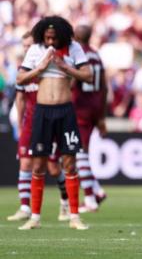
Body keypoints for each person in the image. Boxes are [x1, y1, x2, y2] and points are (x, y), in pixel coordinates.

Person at [16, 16, 93, 230]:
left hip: (65, 111)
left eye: (54, 38)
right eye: (47, 37)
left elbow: (88, 75)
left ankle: (74, 217)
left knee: (69, 163)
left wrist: (64, 67)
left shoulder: (73, 48)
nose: (50, 42)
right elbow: (20, 79)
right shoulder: (35, 49)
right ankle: (35, 217)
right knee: (39, 165)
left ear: (62, 35)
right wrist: (39, 69)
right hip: (42, 112)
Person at [7, 32, 70, 222]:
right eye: (24, 46)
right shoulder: (23, 71)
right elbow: (20, 98)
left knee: (52, 168)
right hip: (30, 123)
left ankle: (65, 201)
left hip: (50, 120)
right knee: (25, 163)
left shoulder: (49, 67)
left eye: (29, 46)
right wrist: (20, 124)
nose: (26, 49)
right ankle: (25, 207)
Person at [72, 24, 108, 213]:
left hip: (80, 107)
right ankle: (97, 191)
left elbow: (72, 81)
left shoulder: (77, 54)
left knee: (79, 153)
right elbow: (104, 86)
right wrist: (101, 116)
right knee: (77, 153)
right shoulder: (95, 54)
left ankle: (90, 199)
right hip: (95, 105)